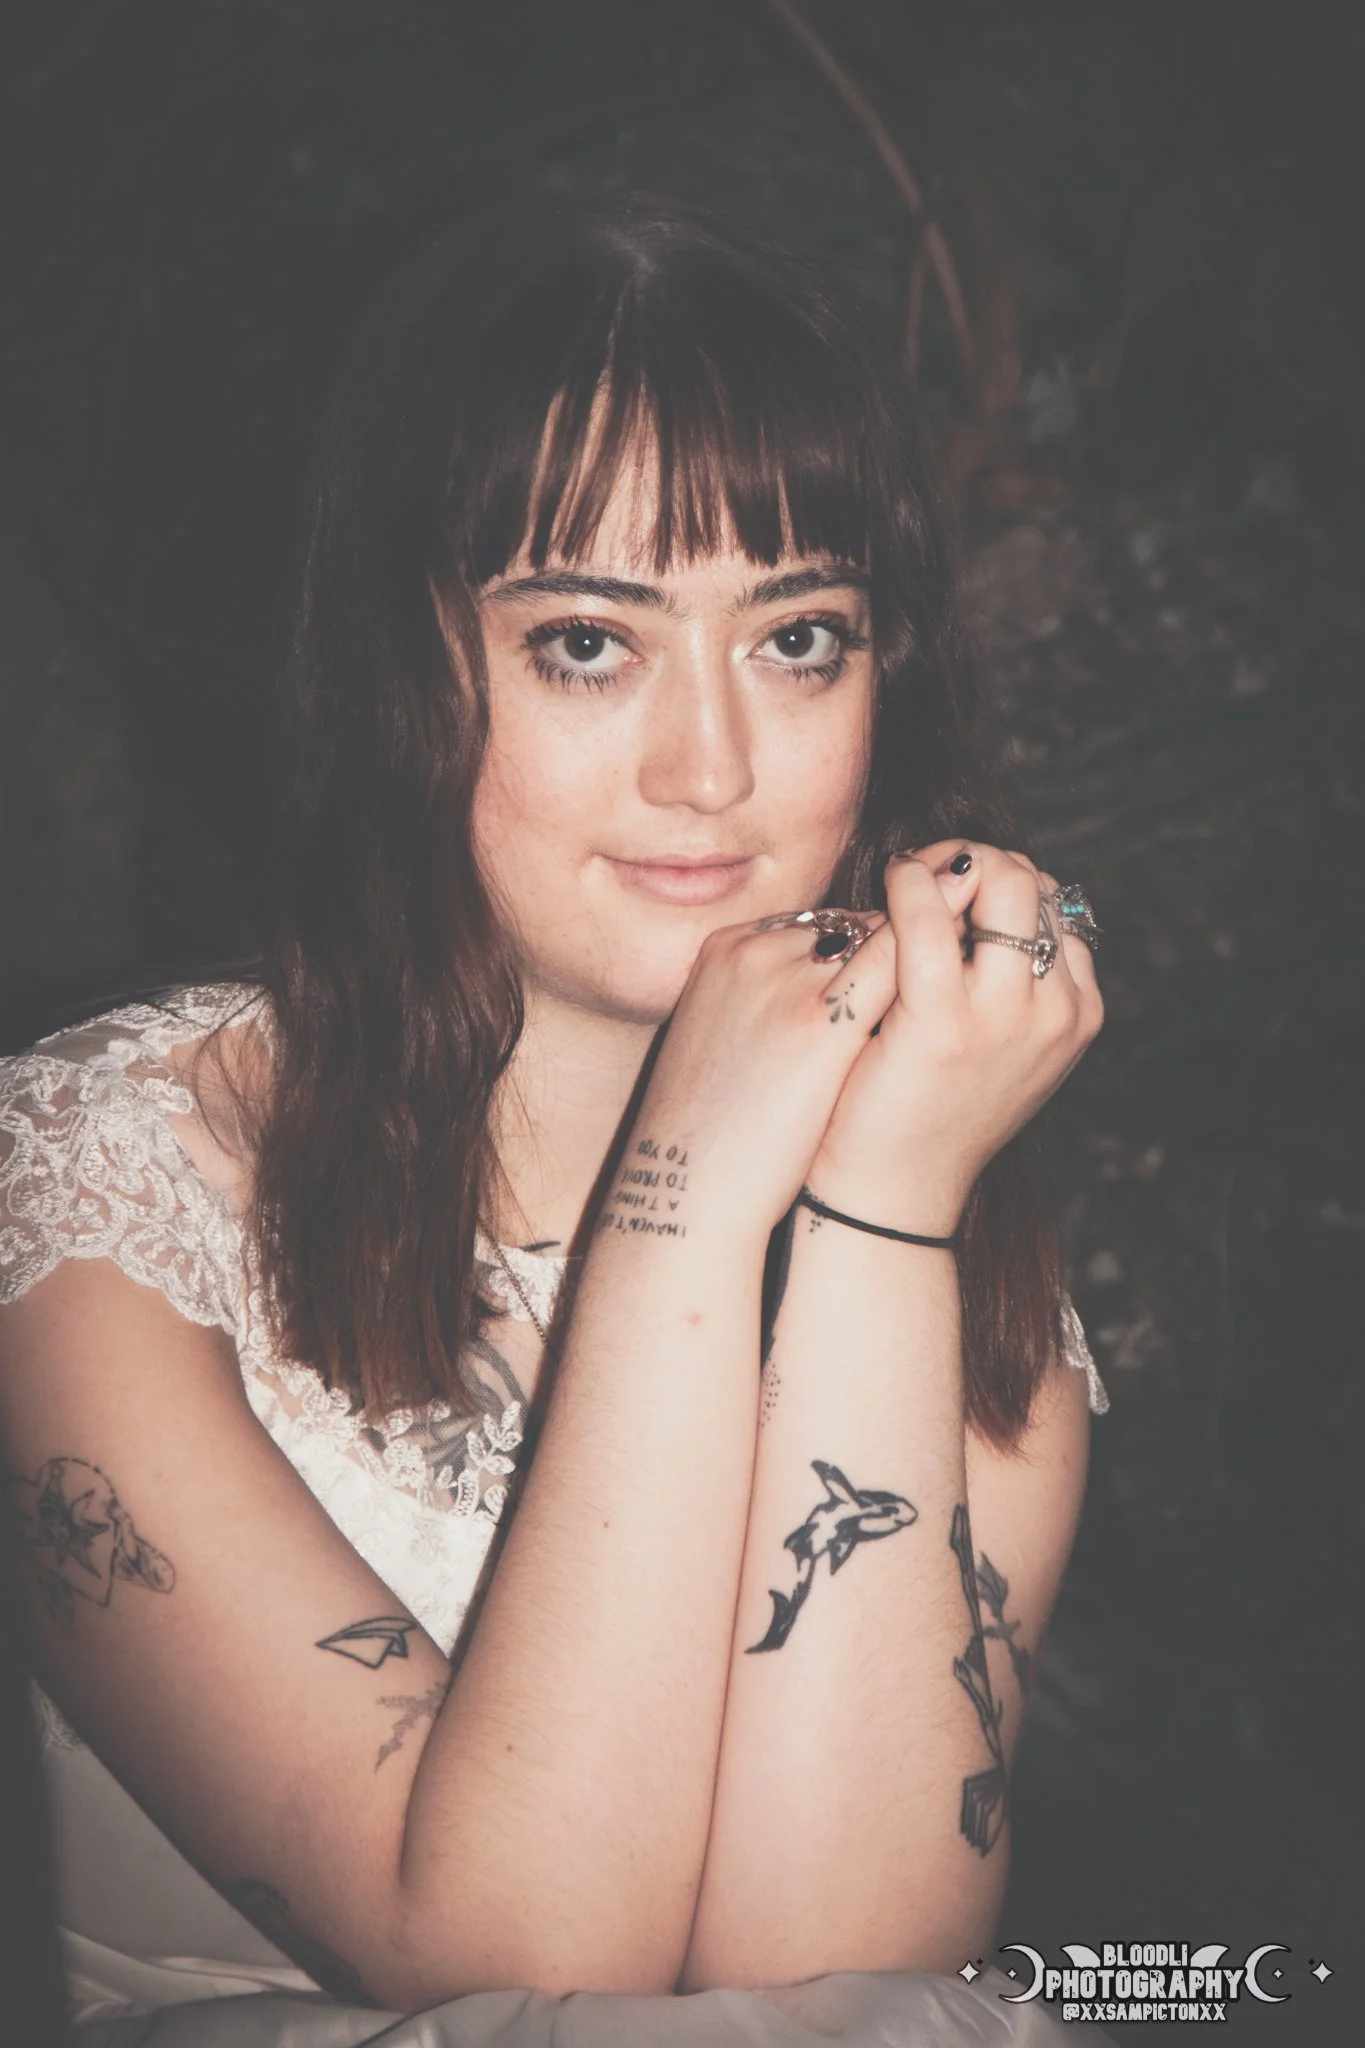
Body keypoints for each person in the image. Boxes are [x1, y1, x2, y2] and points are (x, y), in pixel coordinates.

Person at [0, 195, 1112, 2046]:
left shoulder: (942, 1239)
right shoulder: (94, 1187)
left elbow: (845, 1981)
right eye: (589, 644)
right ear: (398, 668)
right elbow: (508, 1960)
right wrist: (678, 1210)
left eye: (800, 637)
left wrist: (881, 1212)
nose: (714, 767)